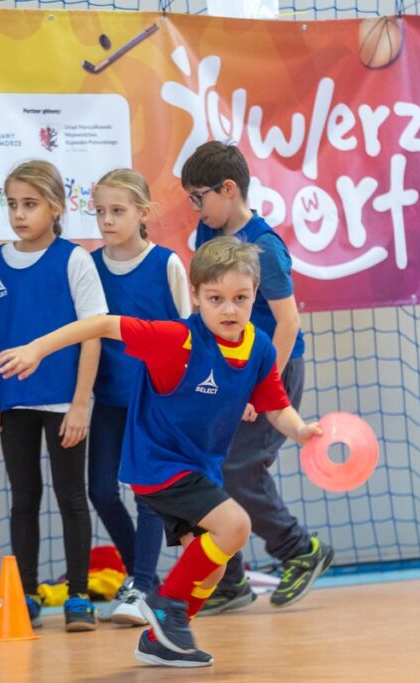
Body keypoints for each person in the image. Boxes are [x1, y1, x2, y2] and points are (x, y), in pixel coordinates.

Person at [0, 237, 322, 667]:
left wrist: (300, 431)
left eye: (240, 298)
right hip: (158, 464)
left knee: (216, 566)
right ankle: (167, 608)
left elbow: (274, 403)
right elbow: (100, 323)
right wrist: (37, 348)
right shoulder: (176, 339)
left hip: (200, 469)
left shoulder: (259, 346)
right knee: (236, 526)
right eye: (216, 298)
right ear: (197, 295)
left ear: (255, 295)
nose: (228, 309)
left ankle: (161, 639)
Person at [182, 141, 334, 614]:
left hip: (273, 373)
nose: (195, 207)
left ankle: (298, 550)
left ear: (228, 189)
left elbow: (288, 324)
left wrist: (256, 384)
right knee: (209, 469)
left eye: (198, 196)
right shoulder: (207, 238)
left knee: (238, 469)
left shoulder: (264, 248)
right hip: (229, 376)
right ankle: (230, 580)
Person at [0, 159, 106, 632]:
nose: (19, 214)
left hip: (65, 402)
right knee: (23, 497)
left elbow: (93, 334)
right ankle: (24, 592)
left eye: (30, 204)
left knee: (71, 496)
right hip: (14, 402)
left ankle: (79, 596)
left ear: (56, 208)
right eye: (12, 204)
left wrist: (82, 402)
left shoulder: (75, 259)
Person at [88, 169, 192, 626]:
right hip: (108, 398)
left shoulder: (166, 264)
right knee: (101, 490)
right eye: (100, 212)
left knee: (148, 494)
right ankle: (140, 576)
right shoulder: (87, 266)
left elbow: (191, 334)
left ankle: (143, 585)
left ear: (143, 213)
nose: (107, 221)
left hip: (155, 401)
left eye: (117, 211)